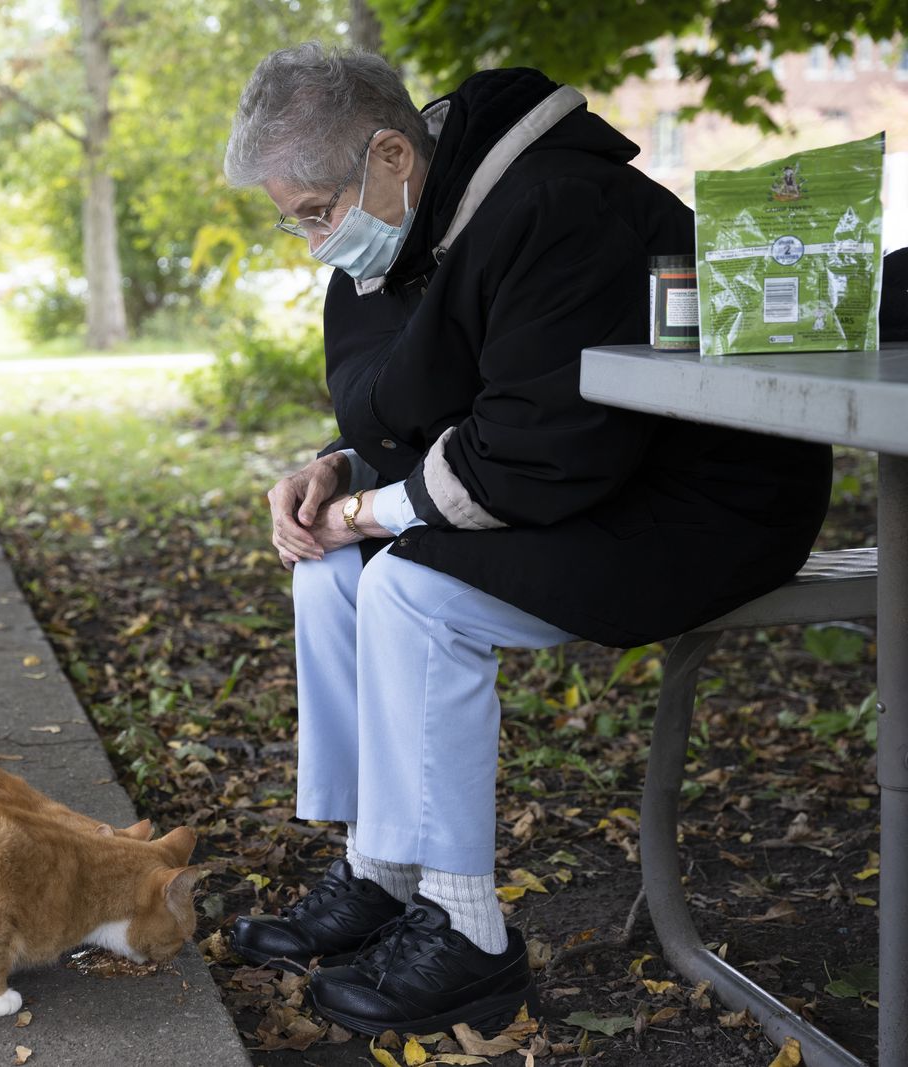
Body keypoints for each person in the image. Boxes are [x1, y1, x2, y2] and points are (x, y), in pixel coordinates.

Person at [220, 44, 837, 1036]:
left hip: (704, 509)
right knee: (333, 567)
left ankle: (466, 935)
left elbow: (534, 444)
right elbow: (442, 399)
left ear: (390, 155)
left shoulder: (557, 208)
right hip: (592, 486)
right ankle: (381, 867)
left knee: (409, 588)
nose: (311, 244)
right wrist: (341, 468)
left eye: (314, 212)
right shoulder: (425, 222)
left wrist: (375, 510)